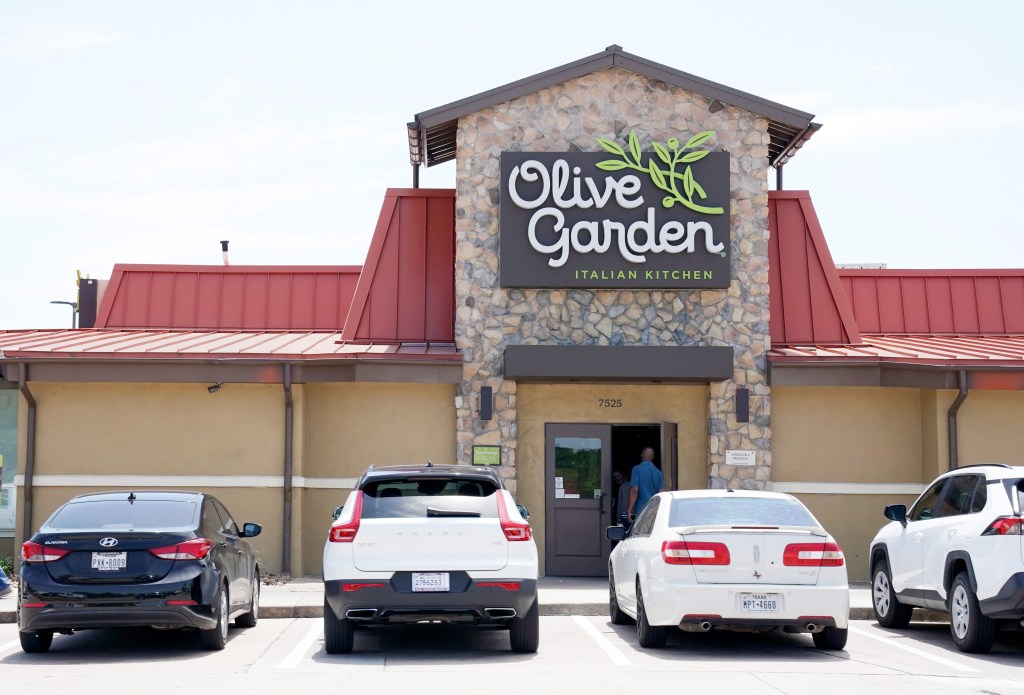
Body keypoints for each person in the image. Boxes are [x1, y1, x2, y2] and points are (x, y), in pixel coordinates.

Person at [626, 446, 664, 521]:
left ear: (641, 455)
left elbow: (635, 490)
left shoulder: (637, 469)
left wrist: (629, 510)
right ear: (653, 457)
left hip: (641, 510)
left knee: (640, 532)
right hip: (654, 510)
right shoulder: (659, 473)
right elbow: (661, 492)